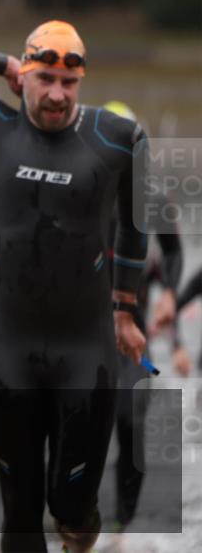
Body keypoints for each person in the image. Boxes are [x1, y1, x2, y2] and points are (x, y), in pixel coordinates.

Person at [0, 20, 149, 553]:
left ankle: (80, 532)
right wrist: (0, 64)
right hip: (8, 352)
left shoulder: (116, 137)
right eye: (45, 80)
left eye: (69, 84)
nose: (57, 96)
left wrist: (125, 308)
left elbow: (136, 222)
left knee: (71, 509)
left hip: (86, 353)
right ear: (27, 75)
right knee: (19, 510)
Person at [98, 101, 186, 550]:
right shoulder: (80, 187)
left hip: (132, 334)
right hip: (80, 331)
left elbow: (172, 250)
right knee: (73, 419)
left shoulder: (150, 194)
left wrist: (170, 292)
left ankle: (120, 524)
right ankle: (70, 506)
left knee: (131, 423)